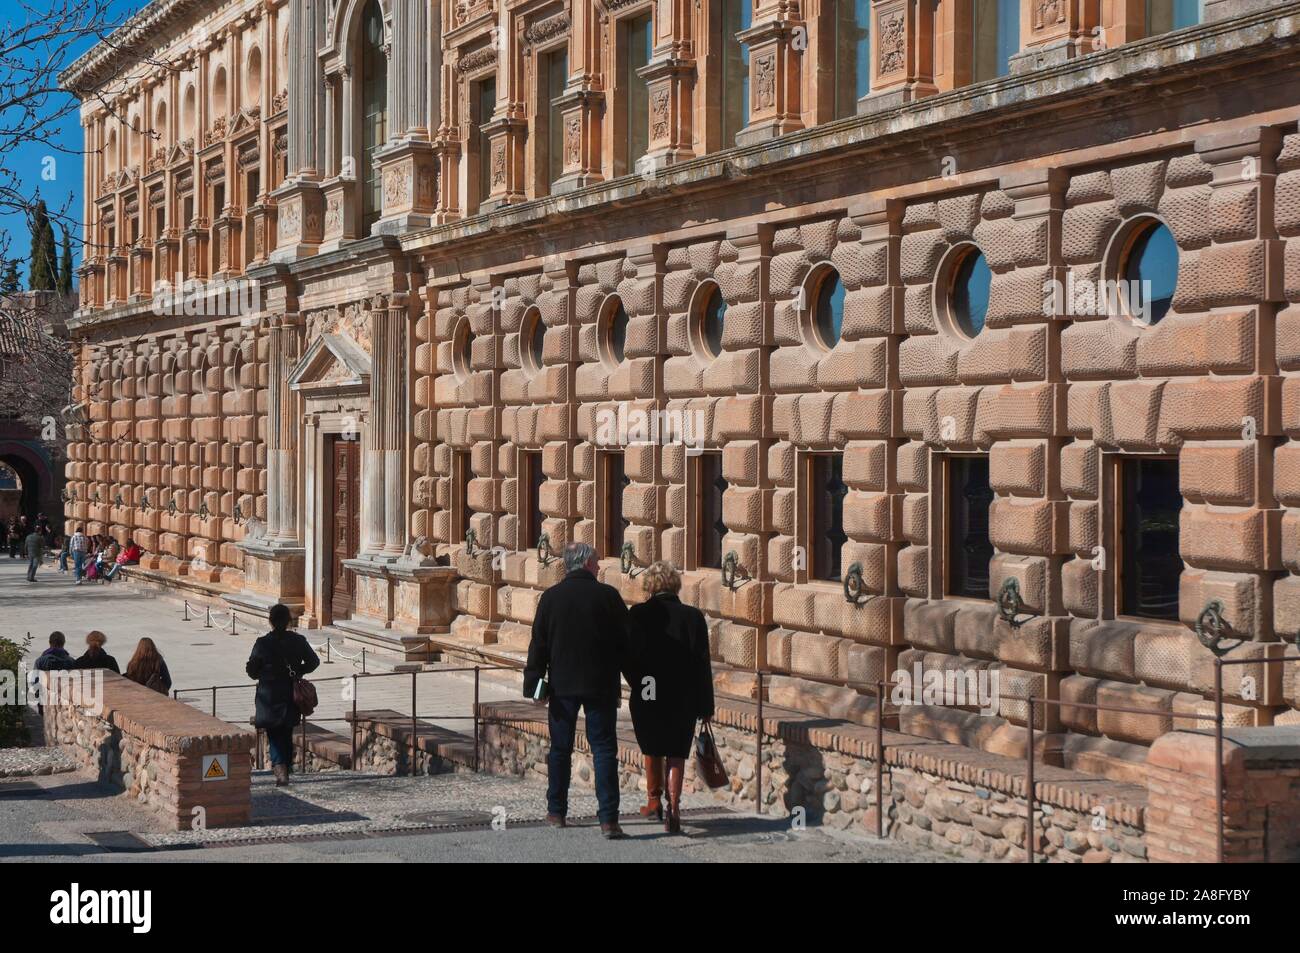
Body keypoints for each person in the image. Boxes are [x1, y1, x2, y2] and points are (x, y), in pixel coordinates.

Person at [524, 541, 630, 838]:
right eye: (596, 562)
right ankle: (609, 819)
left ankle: (556, 812)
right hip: (601, 686)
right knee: (604, 750)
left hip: (563, 685)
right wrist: (641, 682)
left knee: (560, 749)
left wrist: (534, 686)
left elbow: (539, 645)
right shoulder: (608, 597)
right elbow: (626, 642)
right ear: (585, 564)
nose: (598, 566)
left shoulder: (551, 598)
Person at [624, 561, 714, 833]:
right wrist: (705, 705)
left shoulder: (638, 614)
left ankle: (653, 801)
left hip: (648, 692)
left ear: (649, 586)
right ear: (675, 585)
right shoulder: (693, 617)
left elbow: (627, 657)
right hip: (682, 695)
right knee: (676, 751)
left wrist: (639, 683)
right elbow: (702, 664)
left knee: (652, 746)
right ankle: (674, 806)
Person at [246, 604, 319, 786]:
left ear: (270, 621)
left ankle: (280, 768)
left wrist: (263, 673)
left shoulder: (262, 643)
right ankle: (285, 766)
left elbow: (252, 670)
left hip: (269, 694)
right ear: (288, 621)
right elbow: (313, 661)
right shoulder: (298, 640)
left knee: (274, 732)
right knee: (285, 730)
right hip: (289, 692)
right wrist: (298, 672)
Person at [31, 632, 76, 714]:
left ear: (50, 642)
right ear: (63, 643)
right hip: (65, 702)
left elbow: (34, 683)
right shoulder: (71, 661)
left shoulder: (40, 661)